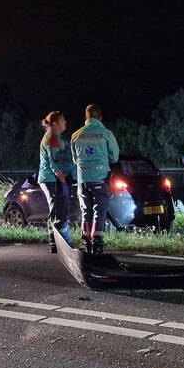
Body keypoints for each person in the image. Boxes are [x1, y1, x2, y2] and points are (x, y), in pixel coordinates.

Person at [70, 104, 120, 255]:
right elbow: (115, 156)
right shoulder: (106, 133)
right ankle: (97, 243)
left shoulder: (75, 135)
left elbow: (74, 160)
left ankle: (86, 241)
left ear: (86, 117)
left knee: (86, 211)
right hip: (100, 178)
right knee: (100, 211)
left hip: (82, 179)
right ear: (100, 117)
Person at [38, 111, 74, 253]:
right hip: (51, 179)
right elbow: (54, 163)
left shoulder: (56, 137)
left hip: (53, 178)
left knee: (58, 209)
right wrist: (64, 180)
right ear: (54, 124)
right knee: (56, 210)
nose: (65, 123)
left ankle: (56, 242)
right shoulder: (52, 138)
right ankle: (55, 242)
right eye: (62, 121)